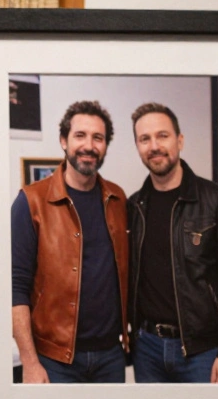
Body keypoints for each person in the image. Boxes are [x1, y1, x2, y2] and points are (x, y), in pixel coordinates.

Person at [11, 100, 130, 384]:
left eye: (97, 138)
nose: (89, 145)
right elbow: (15, 288)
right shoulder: (31, 201)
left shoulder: (117, 198)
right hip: (54, 361)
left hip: (111, 356)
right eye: (80, 135)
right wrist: (29, 362)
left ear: (105, 146)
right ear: (64, 141)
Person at [126, 102, 218, 383]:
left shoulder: (217, 200)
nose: (154, 146)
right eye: (145, 139)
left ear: (180, 140)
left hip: (203, 351)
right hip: (147, 349)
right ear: (138, 147)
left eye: (162, 136)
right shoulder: (132, 207)